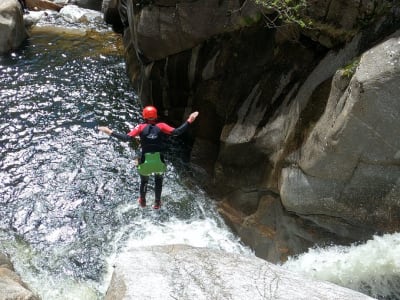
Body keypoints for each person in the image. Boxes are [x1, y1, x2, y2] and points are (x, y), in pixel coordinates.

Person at [98, 106, 199, 209]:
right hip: (159, 162)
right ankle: (157, 203)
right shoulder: (161, 126)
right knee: (158, 180)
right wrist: (189, 120)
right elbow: (177, 132)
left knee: (144, 180)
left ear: (144, 116)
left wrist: (109, 131)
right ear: (155, 116)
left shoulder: (140, 127)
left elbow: (126, 138)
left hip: (145, 162)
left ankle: (142, 201)